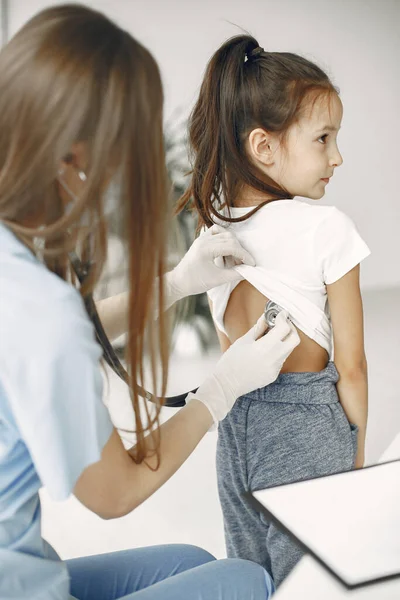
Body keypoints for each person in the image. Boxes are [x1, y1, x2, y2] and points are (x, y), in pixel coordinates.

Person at [0, 7, 301, 600]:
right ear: (75, 154)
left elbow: (42, 338)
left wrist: (172, 284)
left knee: (188, 558)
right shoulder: (43, 314)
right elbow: (113, 493)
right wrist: (219, 390)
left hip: (21, 564)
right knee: (246, 579)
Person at [178, 35, 370, 588]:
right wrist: (357, 459)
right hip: (306, 425)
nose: (337, 156)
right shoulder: (328, 228)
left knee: (249, 577)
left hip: (233, 423)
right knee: (312, 582)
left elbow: (228, 348)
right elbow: (352, 368)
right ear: (265, 147)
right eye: (324, 138)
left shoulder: (211, 230)